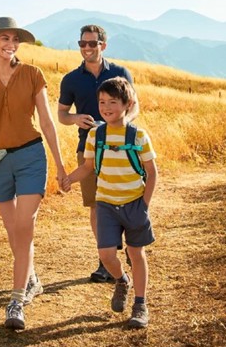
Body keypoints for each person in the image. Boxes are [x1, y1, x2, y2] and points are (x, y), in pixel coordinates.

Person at [0, 16, 67, 331]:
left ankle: (16, 301)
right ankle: (31, 278)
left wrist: (60, 166)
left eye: (15, 39)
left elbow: (47, 123)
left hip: (32, 156)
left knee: (24, 225)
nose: (11, 44)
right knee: (12, 230)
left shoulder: (33, 74)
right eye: (4, 39)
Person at [62, 77, 157, 329]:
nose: (105, 107)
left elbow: (152, 171)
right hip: (105, 204)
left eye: (112, 102)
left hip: (134, 203)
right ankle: (122, 281)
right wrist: (69, 179)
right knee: (106, 255)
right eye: (102, 102)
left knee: (136, 253)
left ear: (128, 104)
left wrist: (144, 205)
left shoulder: (138, 136)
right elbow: (88, 167)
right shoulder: (96, 134)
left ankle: (140, 304)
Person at [57, 24, 139, 282]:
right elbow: (61, 115)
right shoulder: (70, 79)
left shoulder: (120, 72)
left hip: (123, 147)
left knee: (125, 199)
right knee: (96, 204)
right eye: (83, 44)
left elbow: (135, 106)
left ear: (103, 45)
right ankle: (106, 258)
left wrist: (122, 124)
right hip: (89, 148)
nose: (87, 48)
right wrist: (75, 119)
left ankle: (131, 249)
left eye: (92, 43)